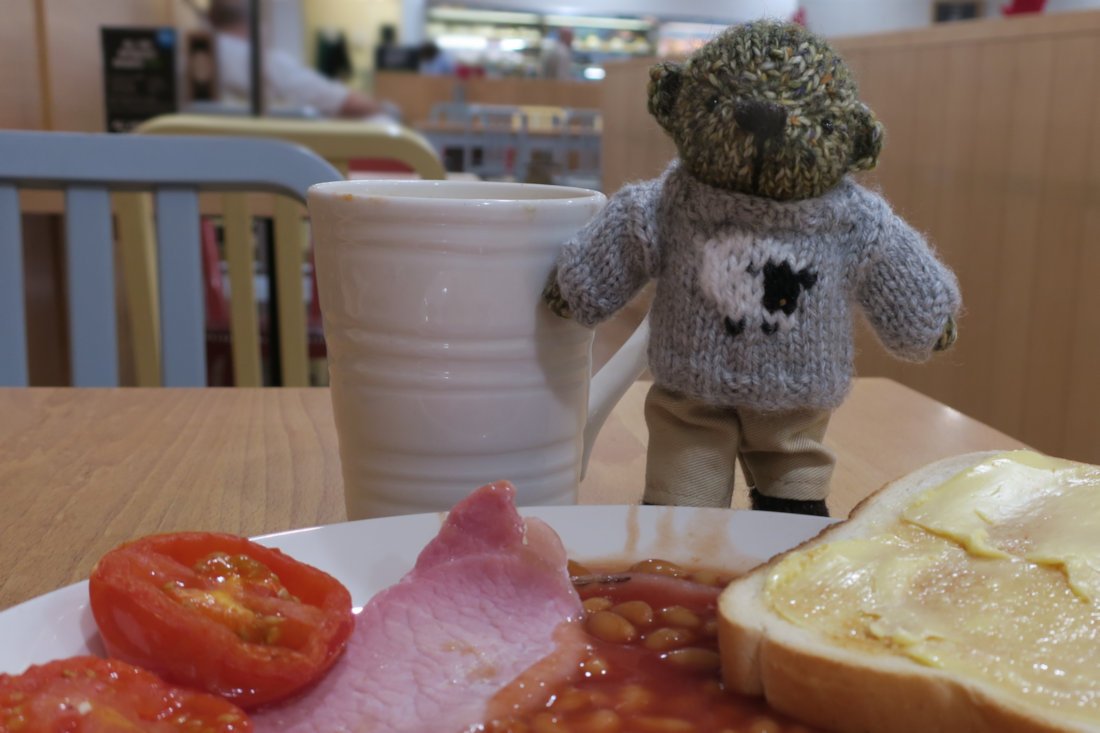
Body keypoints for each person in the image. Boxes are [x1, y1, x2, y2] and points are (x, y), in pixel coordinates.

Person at [209, 0, 380, 118]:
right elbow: (349, 103)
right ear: (256, 22)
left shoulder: (195, 56)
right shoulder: (262, 62)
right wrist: (384, 108)